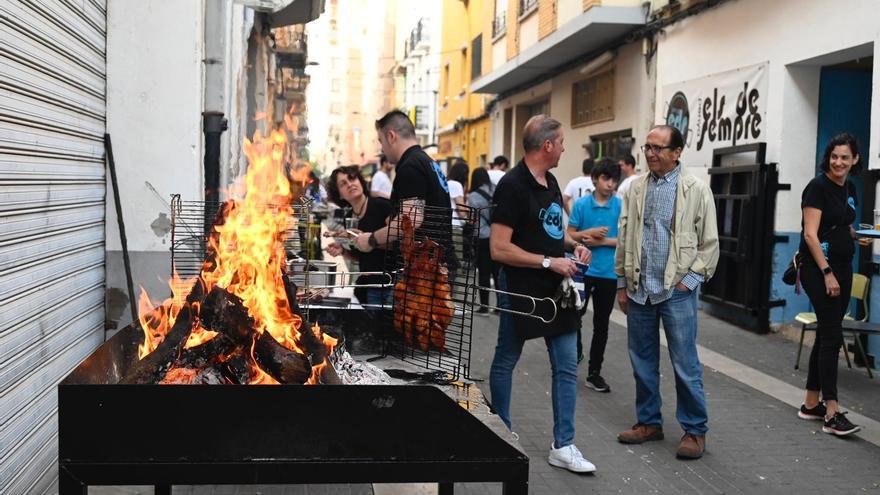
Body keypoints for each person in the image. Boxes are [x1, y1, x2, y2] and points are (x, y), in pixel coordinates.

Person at [489, 114, 595, 473]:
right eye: (562, 141)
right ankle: (500, 432)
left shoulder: (550, 181)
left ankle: (563, 445)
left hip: (555, 289)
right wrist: (550, 262)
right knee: (507, 358)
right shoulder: (511, 186)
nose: (565, 147)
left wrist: (575, 246)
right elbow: (499, 249)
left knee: (566, 365)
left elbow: (553, 232)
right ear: (547, 145)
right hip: (521, 287)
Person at [615, 124, 719, 460]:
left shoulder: (696, 189)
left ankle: (694, 430)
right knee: (642, 362)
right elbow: (624, 236)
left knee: (685, 363)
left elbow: (710, 245)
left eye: (658, 148)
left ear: (677, 152)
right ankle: (649, 422)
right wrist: (621, 283)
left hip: (676, 292)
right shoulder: (635, 188)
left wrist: (687, 283)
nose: (650, 153)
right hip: (640, 289)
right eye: (647, 147)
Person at [797, 133, 863, 436]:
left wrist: (854, 236)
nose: (838, 162)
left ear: (855, 160)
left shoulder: (849, 187)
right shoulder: (818, 187)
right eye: (834, 156)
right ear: (829, 157)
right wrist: (826, 272)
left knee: (826, 330)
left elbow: (842, 223)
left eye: (845, 157)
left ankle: (811, 405)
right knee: (832, 335)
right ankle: (832, 411)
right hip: (819, 267)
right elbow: (811, 234)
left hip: (843, 266)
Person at [353, 110, 453, 269]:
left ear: (391, 137)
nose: (382, 149)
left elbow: (411, 220)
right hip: (434, 263)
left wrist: (371, 239)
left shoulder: (410, 166)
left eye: (381, 141)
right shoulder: (426, 162)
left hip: (424, 269)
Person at [566, 158, 622, 392]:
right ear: (595, 179)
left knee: (602, 325)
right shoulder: (581, 205)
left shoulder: (620, 206)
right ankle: (576, 350)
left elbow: (625, 240)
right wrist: (587, 233)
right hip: (583, 270)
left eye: (614, 180)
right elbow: (569, 235)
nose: (610, 184)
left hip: (609, 273)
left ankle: (594, 373)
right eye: (606, 178)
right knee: (574, 316)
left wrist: (601, 241)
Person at [324, 165, 391, 306]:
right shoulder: (348, 218)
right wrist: (343, 251)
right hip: (368, 286)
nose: (350, 184)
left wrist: (371, 240)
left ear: (360, 181)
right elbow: (360, 256)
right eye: (343, 184)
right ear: (340, 194)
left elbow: (400, 243)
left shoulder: (382, 206)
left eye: (352, 178)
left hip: (390, 284)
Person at [467, 167, 497, 314]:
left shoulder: (473, 196)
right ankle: (500, 306)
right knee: (498, 272)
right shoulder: (496, 190)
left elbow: (472, 219)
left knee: (484, 273)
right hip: (498, 237)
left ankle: (484, 306)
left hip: (482, 236)